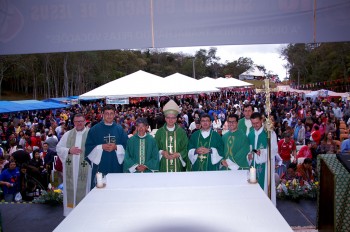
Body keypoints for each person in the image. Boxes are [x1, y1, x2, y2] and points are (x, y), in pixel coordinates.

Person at [85, 105, 128, 188]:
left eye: (111, 113)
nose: (109, 116)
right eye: (107, 113)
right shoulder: (94, 130)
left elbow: (127, 146)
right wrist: (101, 147)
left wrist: (116, 147)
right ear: (102, 114)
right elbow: (88, 147)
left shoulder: (119, 129)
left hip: (116, 164)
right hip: (101, 164)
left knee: (116, 188)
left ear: (115, 114)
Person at [56, 113, 91, 216]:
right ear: (73, 123)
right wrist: (69, 150)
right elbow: (58, 148)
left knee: (85, 191)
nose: (79, 123)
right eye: (76, 121)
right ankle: (69, 214)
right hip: (70, 172)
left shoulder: (90, 134)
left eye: (81, 121)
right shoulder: (68, 135)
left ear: (85, 122)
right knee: (70, 194)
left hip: (85, 171)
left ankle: (83, 215)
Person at [247, 112, 278, 205]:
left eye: (257, 123)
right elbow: (250, 149)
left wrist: (263, 152)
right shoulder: (250, 134)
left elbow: (274, 149)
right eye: (253, 123)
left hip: (265, 166)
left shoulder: (269, 133)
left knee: (265, 189)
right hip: (253, 166)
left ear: (261, 120)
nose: (255, 125)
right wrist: (249, 155)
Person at [155, 100, 188, 172]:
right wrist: (162, 152)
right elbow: (154, 148)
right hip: (163, 165)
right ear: (165, 118)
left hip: (178, 164)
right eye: (168, 117)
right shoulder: (159, 132)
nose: (170, 120)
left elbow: (186, 148)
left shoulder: (181, 132)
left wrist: (178, 154)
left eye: (173, 118)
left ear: (176, 119)